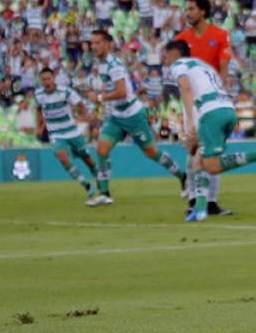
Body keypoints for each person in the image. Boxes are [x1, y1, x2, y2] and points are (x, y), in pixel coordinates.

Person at [163, 40, 256, 222]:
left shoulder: (178, 65)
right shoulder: (203, 66)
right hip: (227, 110)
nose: (164, 58)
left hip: (210, 114)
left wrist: (191, 124)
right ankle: (200, 210)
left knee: (211, 165)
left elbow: (186, 89)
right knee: (199, 161)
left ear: (174, 53)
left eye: (166, 54)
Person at [86, 29, 187, 207]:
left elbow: (121, 91)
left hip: (133, 116)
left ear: (108, 44)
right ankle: (104, 193)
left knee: (151, 152)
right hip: (117, 115)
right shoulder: (101, 63)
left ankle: (183, 176)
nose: (94, 46)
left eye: (98, 43)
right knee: (101, 149)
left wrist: (100, 98)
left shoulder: (113, 64)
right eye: (92, 43)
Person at [175, 0, 235, 216]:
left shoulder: (219, 35)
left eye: (191, 8)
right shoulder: (182, 39)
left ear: (203, 11)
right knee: (192, 148)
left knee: (211, 149)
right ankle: (193, 198)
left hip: (211, 100)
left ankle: (210, 201)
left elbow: (223, 67)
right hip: (191, 101)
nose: (187, 12)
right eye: (186, 9)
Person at [34, 68, 99, 199]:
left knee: (88, 159)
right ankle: (86, 185)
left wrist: (85, 116)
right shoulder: (39, 94)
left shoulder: (65, 91)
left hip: (72, 131)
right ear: (41, 81)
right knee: (62, 158)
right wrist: (39, 127)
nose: (46, 81)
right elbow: (38, 110)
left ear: (53, 78)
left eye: (48, 78)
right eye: (44, 79)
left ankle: (100, 179)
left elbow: (80, 104)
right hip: (55, 133)